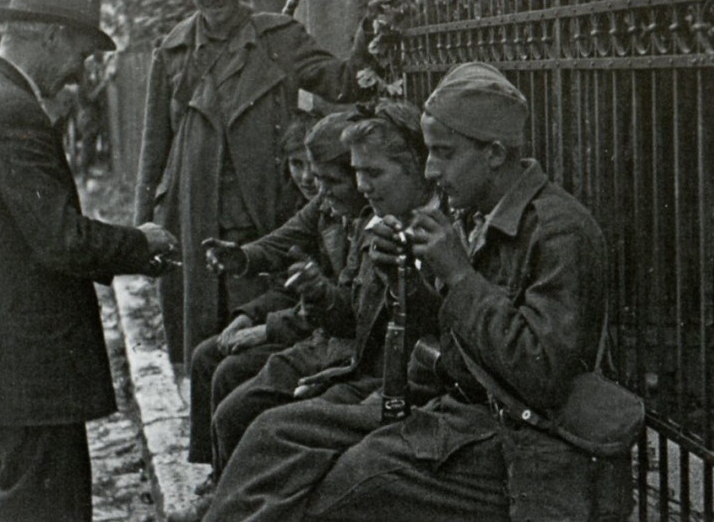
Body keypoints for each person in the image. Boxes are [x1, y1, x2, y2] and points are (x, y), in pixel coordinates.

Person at [203, 63, 626, 522]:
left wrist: (460, 275)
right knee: (274, 433)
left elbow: (542, 374)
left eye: (443, 153)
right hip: (454, 406)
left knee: (342, 486)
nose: (430, 169)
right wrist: (401, 278)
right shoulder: (477, 213)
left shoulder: (559, 231)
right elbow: (448, 335)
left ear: (495, 154)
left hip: (521, 435)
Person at [0, 0, 179, 522]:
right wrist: (141, 244)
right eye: (82, 55)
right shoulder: (11, 111)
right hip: (32, 377)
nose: (79, 74)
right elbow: (60, 240)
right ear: (52, 36)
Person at [133, 0, 379, 367]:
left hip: (263, 219)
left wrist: (369, 36)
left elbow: (340, 83)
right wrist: (141, 231)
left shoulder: (278, 39)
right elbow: (154, 150)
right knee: (205, 350)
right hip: (195, 224)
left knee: (258, 345)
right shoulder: (172, 52)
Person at [203, 100, 443, 516]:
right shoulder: (378, 222)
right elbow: (352, 311)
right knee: (251, 416)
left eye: (371, 173)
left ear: (416, 169)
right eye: (359, 174)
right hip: (359, 370)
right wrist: (316, 295)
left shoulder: (435, 231)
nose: (363, 186)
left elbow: (428, 329)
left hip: (398, 388)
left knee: (272, 432)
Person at [186, 111, 364, 472]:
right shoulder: (326, 206)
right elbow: (280, 249)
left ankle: (229, 489)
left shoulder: (369, 218)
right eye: (301, 169)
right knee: (208, 357)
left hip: (332, 342)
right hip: (317, 332)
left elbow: (348, 307)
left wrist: (266, 329)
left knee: (232, 382)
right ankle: (217, 480)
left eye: (327, 178)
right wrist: (241, 263)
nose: (313, 186)